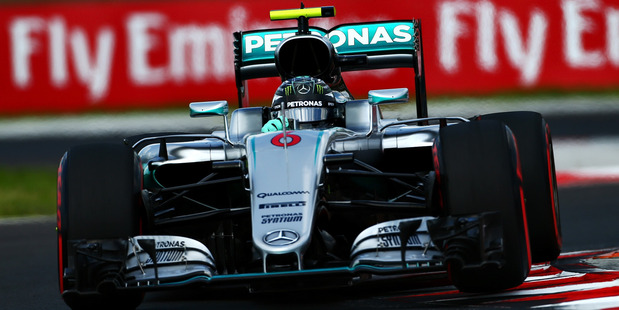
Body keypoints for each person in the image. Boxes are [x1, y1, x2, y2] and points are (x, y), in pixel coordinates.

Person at [261, 76, 348, 132]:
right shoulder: (267, 140)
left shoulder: (340, 136)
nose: (305, 126)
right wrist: (266, 139)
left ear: (335, 113)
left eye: (315, 114)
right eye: (292, 114)